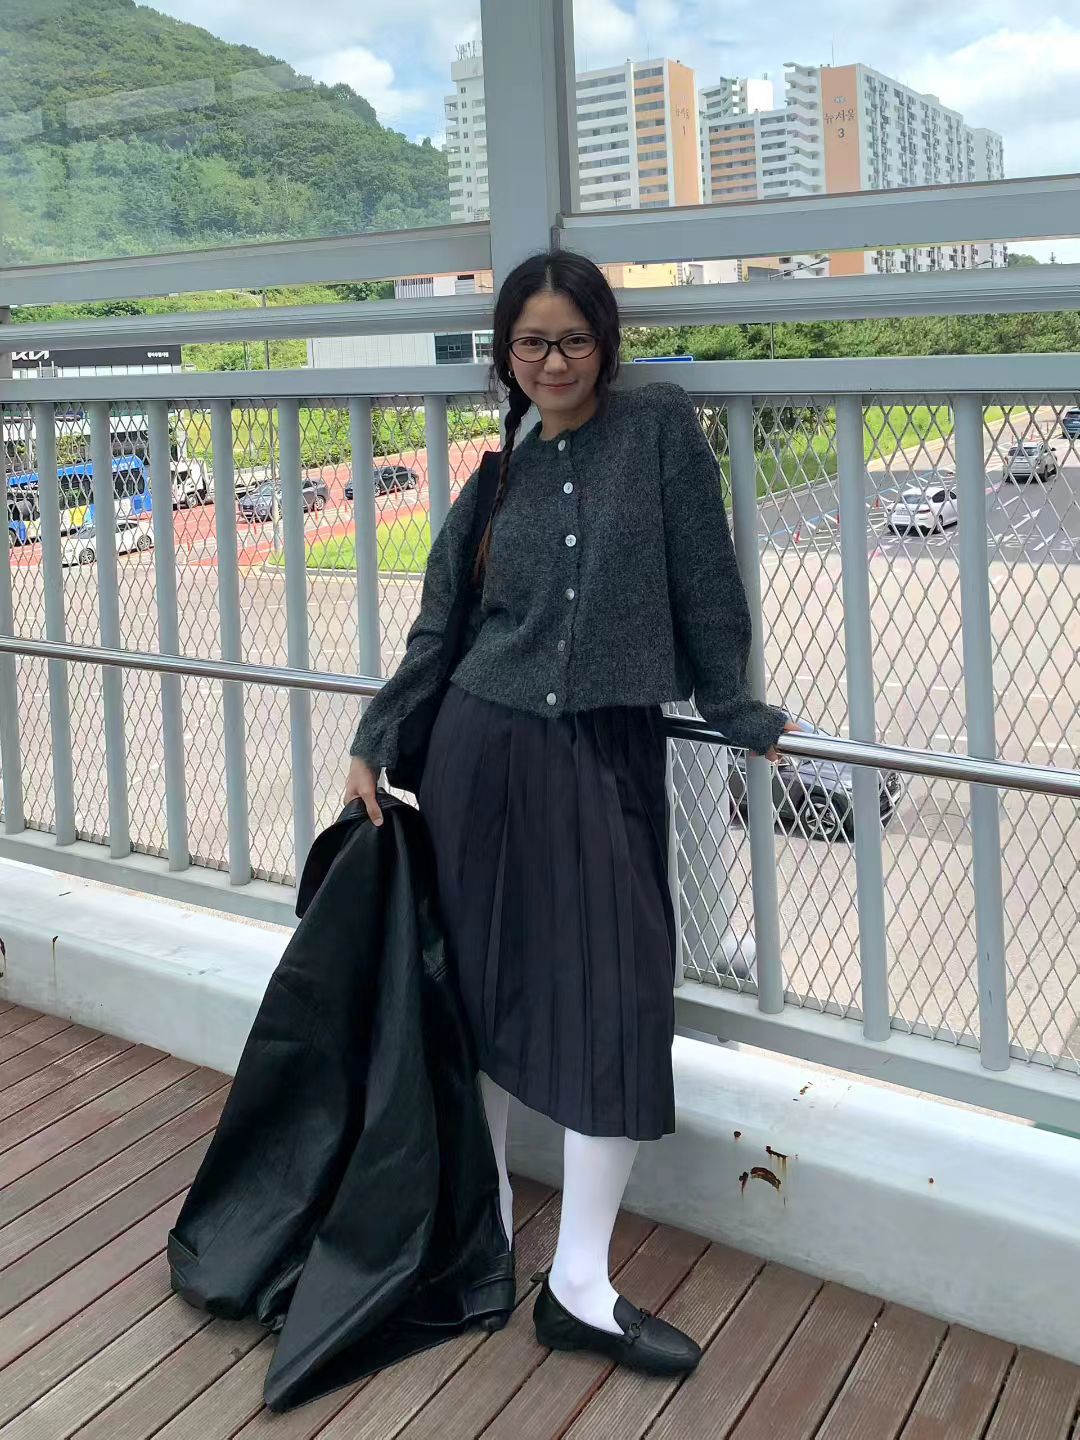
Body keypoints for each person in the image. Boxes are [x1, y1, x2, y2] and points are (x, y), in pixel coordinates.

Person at [344, 249, 794, 1375]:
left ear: (606, 344)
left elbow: (706, 579)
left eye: (574, 340)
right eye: (532, 342)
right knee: (480, 991)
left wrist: (733, 702)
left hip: (604, 749)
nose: (554, 361)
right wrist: (375, 738)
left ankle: (580, 1285)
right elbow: (441, 626)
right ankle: (486, 1234)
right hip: (479, 753)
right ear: (506, 354)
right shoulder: (496, 478)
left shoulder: (659, 431)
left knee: (619, 995)